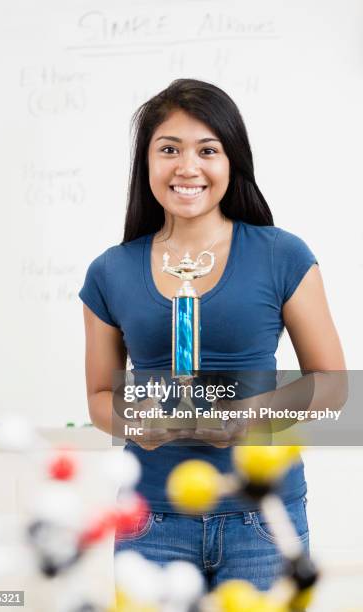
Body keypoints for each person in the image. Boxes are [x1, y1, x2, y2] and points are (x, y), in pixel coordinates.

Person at [78, 79, 345, 592]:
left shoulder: (281, 254)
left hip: (262, 517)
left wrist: (251, 415)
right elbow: (98, 398)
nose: (187, 167)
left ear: (231, 161)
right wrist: (136, 420)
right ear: (146, 163)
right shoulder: (110, 272)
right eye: (169, 149)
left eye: (208, 150)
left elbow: (332, 384)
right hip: (149, 520)